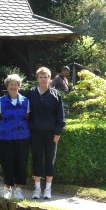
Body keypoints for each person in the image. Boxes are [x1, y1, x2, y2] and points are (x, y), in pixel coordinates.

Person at [28, 66, 66, 199]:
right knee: (36, 159)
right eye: (41, 77)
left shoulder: (56, 95)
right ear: (37, 79)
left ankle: (48, 189)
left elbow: (60, 116)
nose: (43, 79)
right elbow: (26, 113)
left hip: (50, 133)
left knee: (50, 161)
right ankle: (37, 189)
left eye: (46, 77)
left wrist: (57, 133)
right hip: (35, 133)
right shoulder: (31, 93)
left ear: (50, 79)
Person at [0, 74, 30, 200]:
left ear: (19, 86)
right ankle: (7, 188)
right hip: (4, 137)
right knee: (6, 162)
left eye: (16, 84)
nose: (13, 87)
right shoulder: (1, 100)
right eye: (11, 85)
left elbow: (27, 118)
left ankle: (18, 189)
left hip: (22, 137)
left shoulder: (25, 101)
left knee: (21, 162)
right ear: (7, 87)